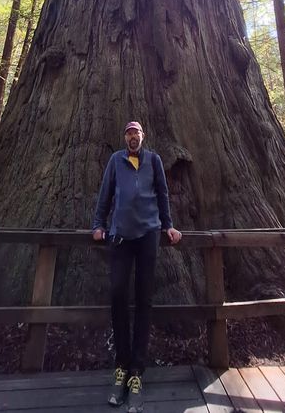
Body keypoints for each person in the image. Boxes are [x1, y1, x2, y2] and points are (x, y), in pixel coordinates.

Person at [92, 121, 182, 412]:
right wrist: (98, 224)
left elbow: (163, 194)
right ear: (125, 138)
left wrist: (168, 225)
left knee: (144, 300)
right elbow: (106, 192)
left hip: (148, 236)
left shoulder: (153, 160)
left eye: (137, 133)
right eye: (129, 134)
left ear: (143, 137)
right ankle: (121, 365)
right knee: (118, 296)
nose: (133, 137)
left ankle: (137, 373)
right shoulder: (115, 161)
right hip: (119, 235)